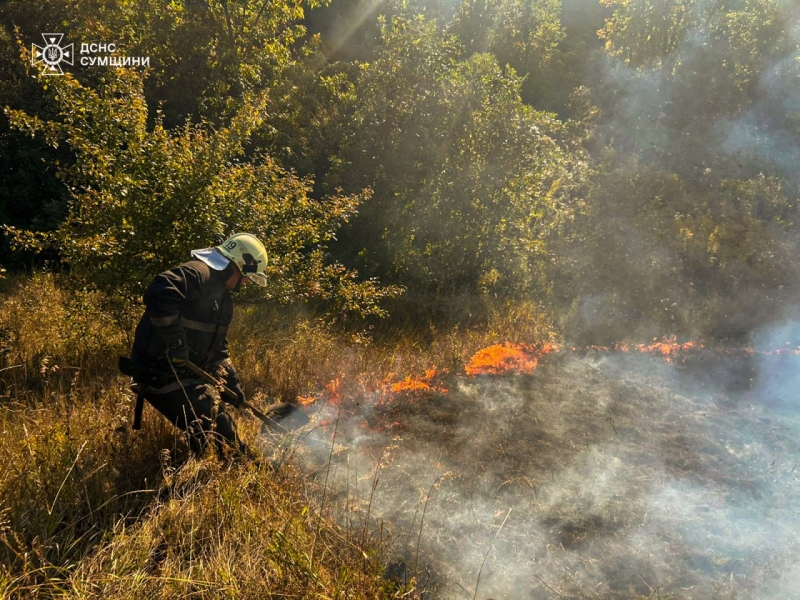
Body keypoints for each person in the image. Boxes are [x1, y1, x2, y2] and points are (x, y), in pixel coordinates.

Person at [127, 233, 268, 458]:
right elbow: (160, 293)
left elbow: (218, 346)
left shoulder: (223, 300)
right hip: (159, 373)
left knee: (211, 423)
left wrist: (230, 383)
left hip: (182, 375)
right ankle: (242, 462)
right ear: (237, 265)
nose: (245, 282)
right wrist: (176, 344)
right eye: (246, 276)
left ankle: (207, 461)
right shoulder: (197, 273)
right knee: (217, 424)